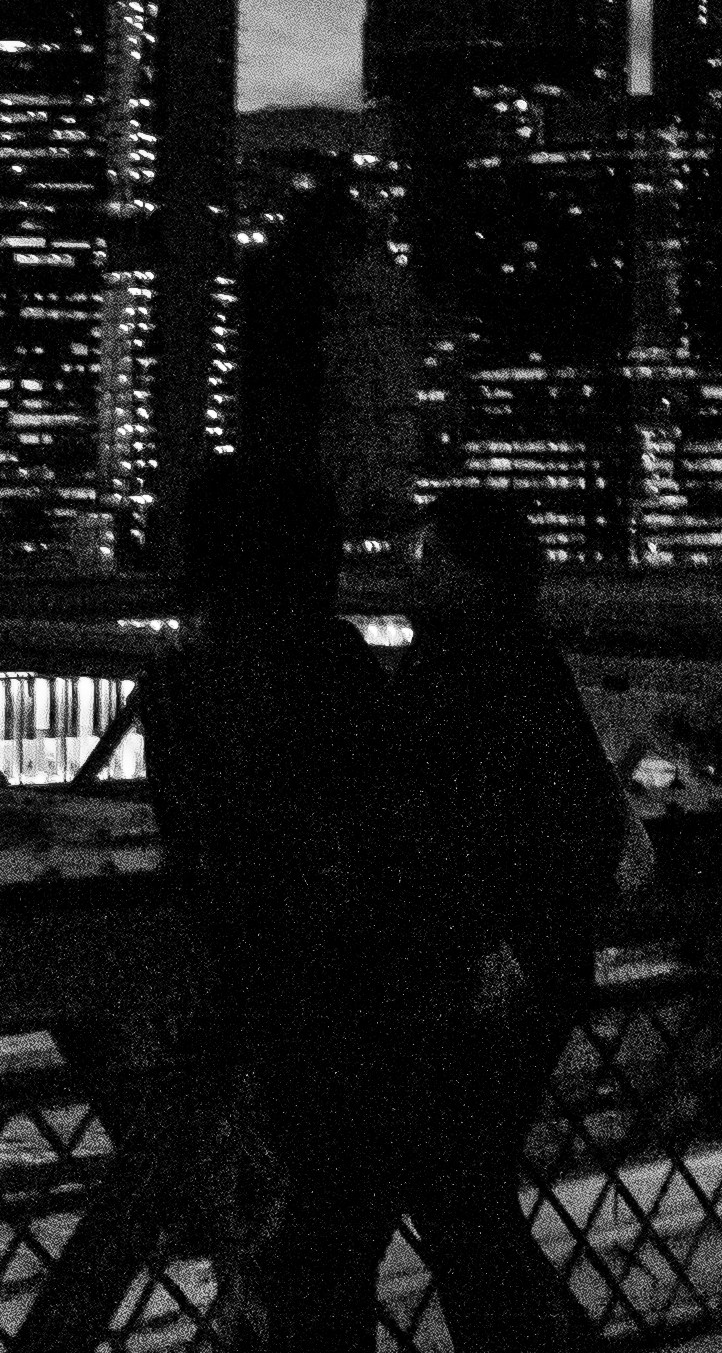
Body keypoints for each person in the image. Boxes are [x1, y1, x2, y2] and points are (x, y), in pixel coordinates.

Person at [136, 456, 422, 1348]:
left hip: (258, 1010)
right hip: (366, 1007)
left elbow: (203, 848)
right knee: (335, 1269)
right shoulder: (345, 669)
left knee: (279, 1261)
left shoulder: (193, 680)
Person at [385, 496, 635, 1353]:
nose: (414, 570)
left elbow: (432, 824)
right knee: (467, 1187)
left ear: (469, 571)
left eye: (430, 555)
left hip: (482, 965)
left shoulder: (448, 668)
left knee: (454, 1189)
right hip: (544, 954)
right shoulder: (533, 659)